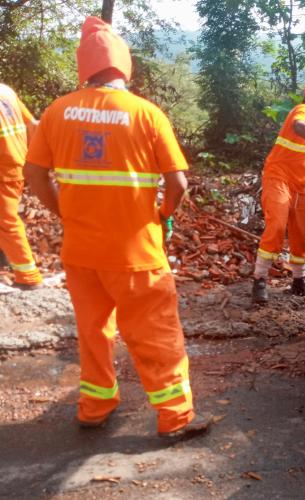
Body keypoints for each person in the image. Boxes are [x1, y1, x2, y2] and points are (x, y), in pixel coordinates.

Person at [23, 16, 210, 438]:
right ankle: (175, 418)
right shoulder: (146, 114)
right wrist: (162, 215)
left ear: (84, 66)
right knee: (155, 332)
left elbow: (34, 176)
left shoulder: (56, 111)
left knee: (92, 333)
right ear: (123, 65)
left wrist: (63, 214)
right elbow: (178, 183)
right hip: (135, 254)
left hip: (81, 253)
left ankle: (94, 407)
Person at [252, 77, 305, 304]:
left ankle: (299, 282)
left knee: (301, 234)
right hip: (278, 178)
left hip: (299, 186)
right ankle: (259, 279)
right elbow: (298, 127)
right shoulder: (302, 111)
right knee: (277, 225)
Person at [0, 83, 43, 290]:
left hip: (3, 170)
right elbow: (33, 124)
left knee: (6, 222)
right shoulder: (6, 91)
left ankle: (28, 276)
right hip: (17, 164)